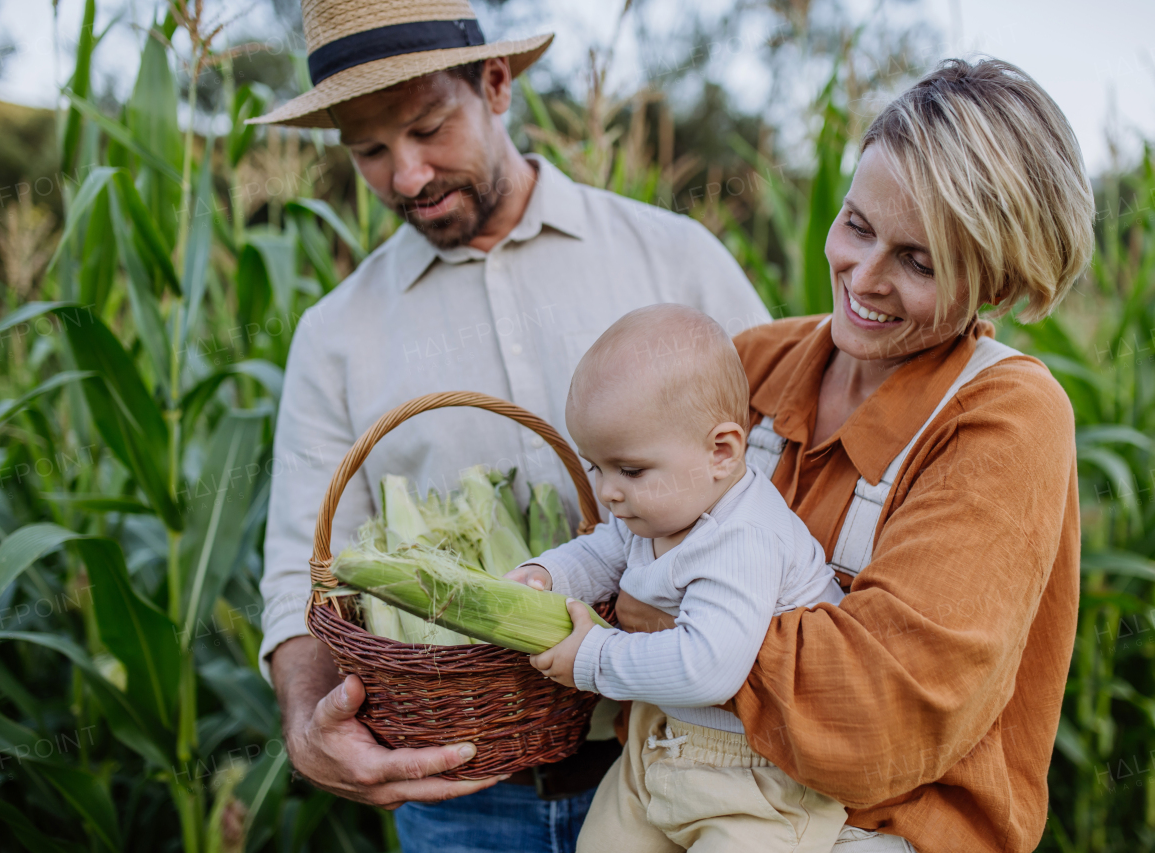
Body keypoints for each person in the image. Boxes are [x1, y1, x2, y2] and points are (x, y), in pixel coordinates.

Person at [251, 2, 771, 852]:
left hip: (691, 762)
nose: (408, 176)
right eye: (371, 153)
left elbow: (785, 461)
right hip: (457, 794)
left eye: (427, 128)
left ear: (495, 84)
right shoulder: (334, 333)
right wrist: (309, 723)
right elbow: (296, 572)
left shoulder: (671, 257)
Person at [615, 58, 1093, 853]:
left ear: (1000, 283)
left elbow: (879, 713)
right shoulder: (753, 365)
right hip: (684, 786)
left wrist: (674, 622)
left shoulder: (1007, 417)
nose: (862, 278)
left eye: (919, 261)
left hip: (874, 829)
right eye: (858, 225)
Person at [505, 303, 847, 853]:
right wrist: (547, 575)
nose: (609, 492)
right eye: (596, 468)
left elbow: (708, 668)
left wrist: (593, 658)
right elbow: (601, 554)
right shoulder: (659, 509)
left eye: (630, 470)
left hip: (758, 779)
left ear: (721, 451)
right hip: (659, 744)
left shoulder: (743, 539)